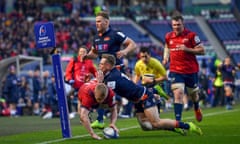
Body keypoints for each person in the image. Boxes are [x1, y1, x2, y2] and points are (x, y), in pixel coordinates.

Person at [98, 54, 203, 136]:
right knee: (146, 126)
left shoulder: (111, 79)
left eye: (102, 64)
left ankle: (188, 125)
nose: (99, 65)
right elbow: (119, 67)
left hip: (144, 97)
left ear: (108, 65)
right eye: (100, 63)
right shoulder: (113, 71)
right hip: (137, 99)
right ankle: (155, 92)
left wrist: (99, 82)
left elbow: (103, 93)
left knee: (156, 123)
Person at [85, 11, 137, 128]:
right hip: (103, 72)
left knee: (130, 93)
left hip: (116, 71)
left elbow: (132, 44)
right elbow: (94, 54)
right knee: (101, 92)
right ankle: (100, 119)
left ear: (106, 22)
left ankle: (151, 96)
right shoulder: (96, 38)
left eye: (99, 21)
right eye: (96, 22)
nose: (97, 24)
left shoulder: (115, 34)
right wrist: (86, 56)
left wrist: (124, 51)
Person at [162, 13, 205, 122]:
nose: (176, 27)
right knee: (178, 93)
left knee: (194, 95)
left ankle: (196, 107)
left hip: (191, 70)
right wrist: (165, 58)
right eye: (174, 25)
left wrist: (187, 49)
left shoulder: (192, 35)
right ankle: (178, 122)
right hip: (175, 70)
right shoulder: (168, 36)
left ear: (183, 24)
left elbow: (202, 51)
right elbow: (167, 46)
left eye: (178, 25)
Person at [133, 46, 170, 113]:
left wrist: (153, 81)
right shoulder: (138, 64)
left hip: (156, 85)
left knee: (154, 105)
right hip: (144, 85)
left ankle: (159, 103)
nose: (144, 59)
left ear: (149, 55)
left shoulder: (156, 63)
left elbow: (165, 77)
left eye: (145, 56)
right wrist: (134, 85)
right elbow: (137, 75)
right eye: (142, 57)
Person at [65, 45, 97, 118]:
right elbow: (68, 71)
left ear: (87, 53)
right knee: (76, 100)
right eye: (80, 51)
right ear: (78, 52)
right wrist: (69, 79)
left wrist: (99, 77)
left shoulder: (89, 61)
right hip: (76, 85)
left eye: (84, 52)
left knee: (83, 101)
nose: (82, 53)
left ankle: (83, 117)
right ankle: (77, 115)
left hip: (86, 85)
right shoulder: (74, 60)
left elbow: (94, 71)